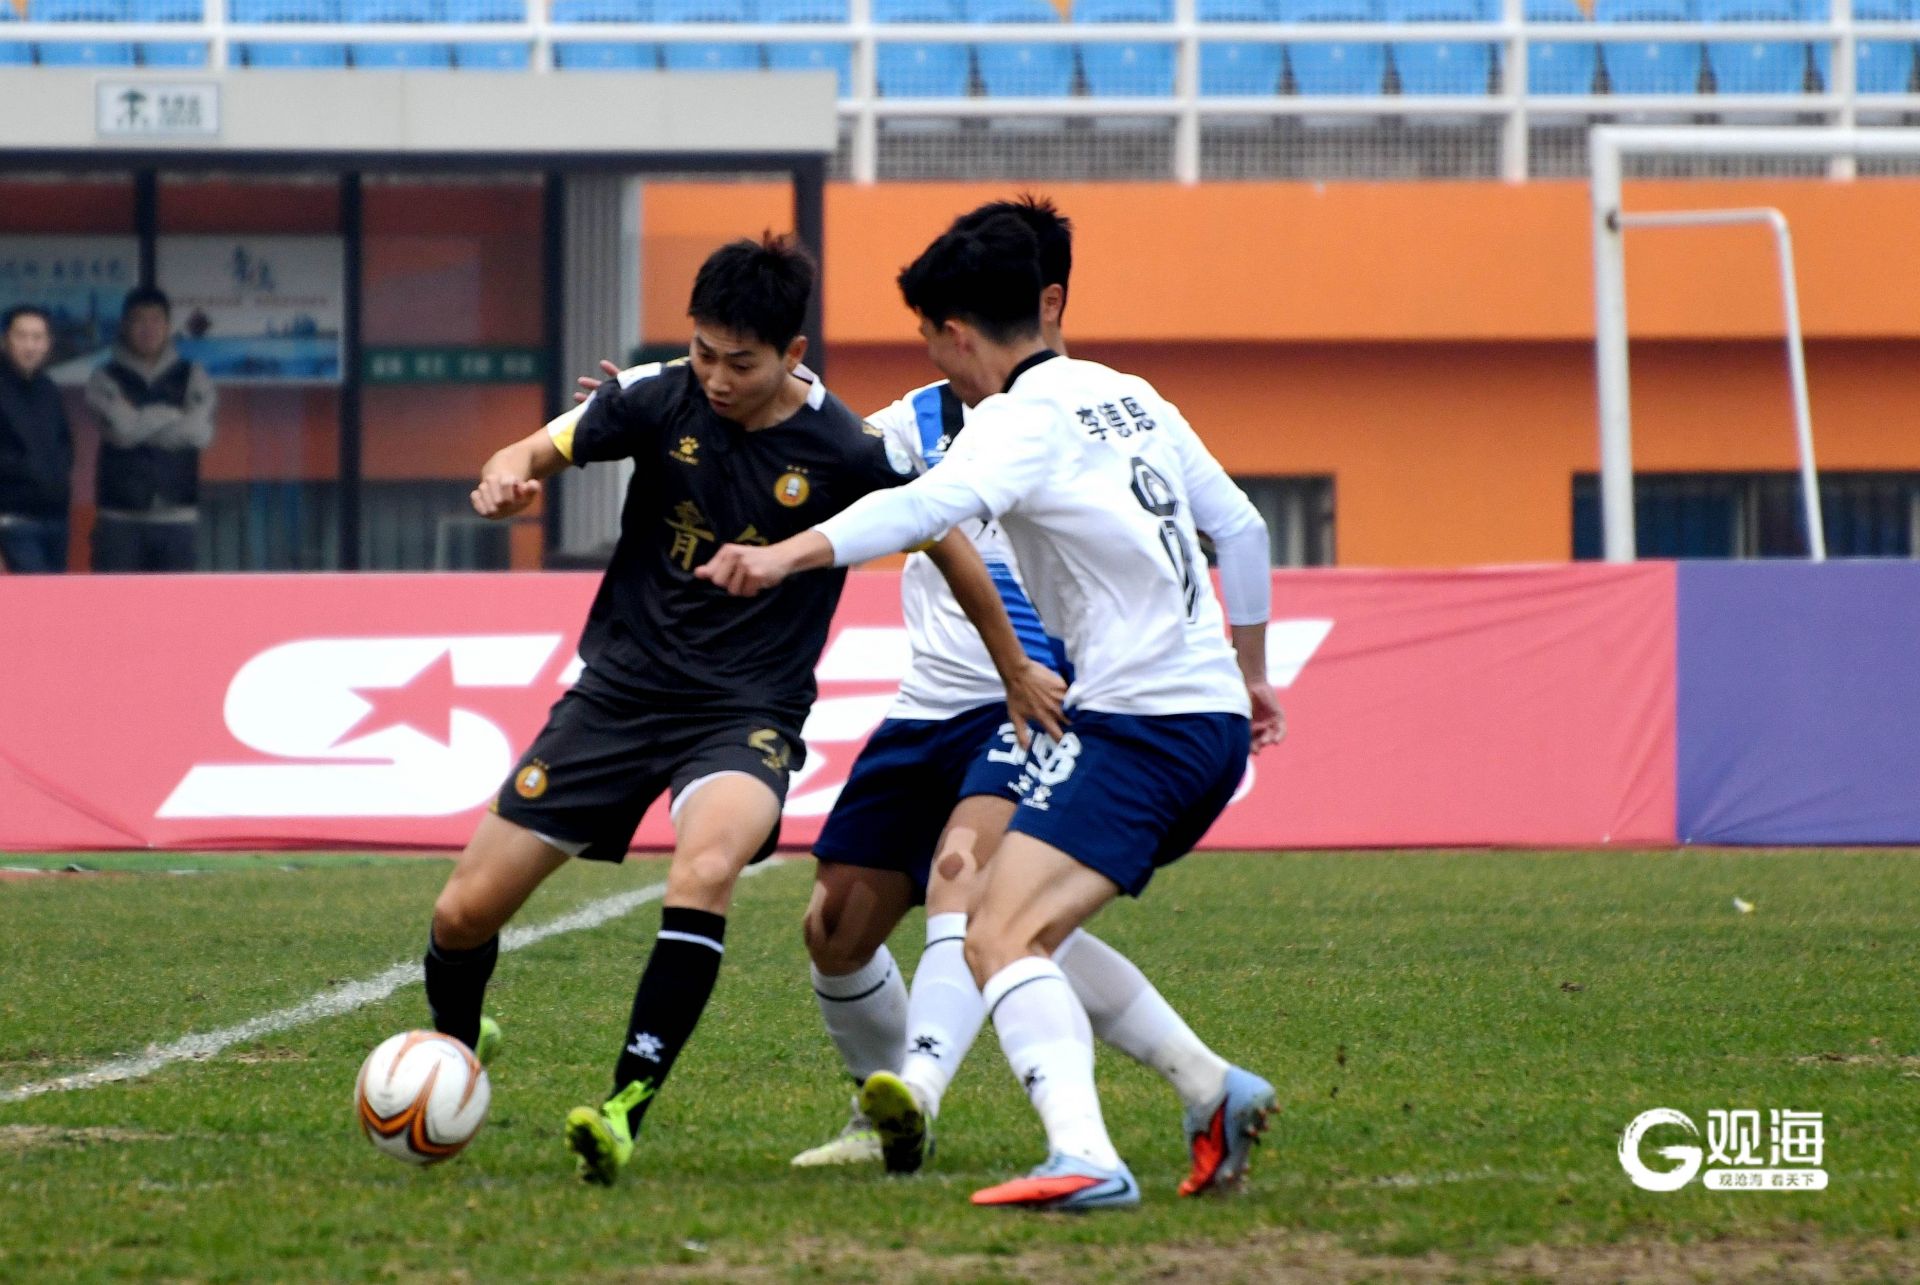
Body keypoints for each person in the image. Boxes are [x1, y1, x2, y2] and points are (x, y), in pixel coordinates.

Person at [423, 234, 1058, 1188]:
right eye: (704, 353)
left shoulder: (845, 448)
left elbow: (946, 540)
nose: (717, 378)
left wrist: (1015, 667)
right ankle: (456, 1049)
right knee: (462, 912)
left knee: (707, 866)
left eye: (741, 362)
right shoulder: (657, 394)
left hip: (745, 712)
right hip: (616, 695)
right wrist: (503, 480)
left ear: (792, 354)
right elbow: (536, 447)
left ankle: (624, 1108)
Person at [699, 214, 1285, 1210]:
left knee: (994, 930)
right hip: (1197, 717)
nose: (935, 361)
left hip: (1142, 726)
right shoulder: (1130, 395)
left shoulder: (1018, 419)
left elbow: (918, 509)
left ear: (957, 332)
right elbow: (1244, 526)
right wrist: (1254, 673)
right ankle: (1209, 1087)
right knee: (1006, 922)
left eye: (932, 338)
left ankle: (1082, 1155)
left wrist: (783, 555)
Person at [85, 286, 217, 573]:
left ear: (168, 326)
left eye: (156, 319)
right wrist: (172, 415)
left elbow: (199, 433)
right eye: (139, 320)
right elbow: (122, 432)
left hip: (178, 517)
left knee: (178, 602)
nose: (148, 328)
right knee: (114, 601)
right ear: (125, 325)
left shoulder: (193, 374)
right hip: (119, 518)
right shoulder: (103, 377)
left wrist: (140, 420)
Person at [0, 304, 73, 574]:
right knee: (33, 591)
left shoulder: (48, 388)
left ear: (47, 344)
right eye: (21, 336)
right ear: (5, 340)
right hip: (13, 518)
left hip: (55, 516)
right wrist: (28, 470)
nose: (30, 346)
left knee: (57, 596)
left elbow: (65, 444)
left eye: (37, 337)